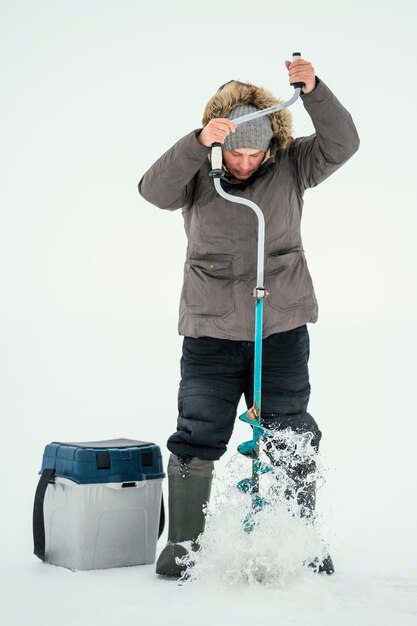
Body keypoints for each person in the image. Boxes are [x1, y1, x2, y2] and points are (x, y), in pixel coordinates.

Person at [138, 57, 359, 577]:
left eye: (253, 152)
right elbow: (152, 192)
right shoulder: (199, 173)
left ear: (270, 147)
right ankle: (183, 548)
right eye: (234, 152)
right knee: (197, 432)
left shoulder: (293, 165)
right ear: (220, 147)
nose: (243, 163)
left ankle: (298, 539)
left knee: (289, 430)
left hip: (279, 327)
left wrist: (315, 92)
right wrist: (195, 143)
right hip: (210, 331)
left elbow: (343, 144)